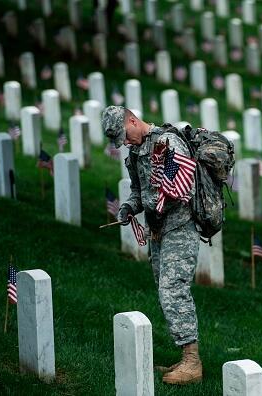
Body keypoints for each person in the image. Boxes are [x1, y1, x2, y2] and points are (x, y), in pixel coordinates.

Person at [102, 106, 202, 385]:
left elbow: (182, 189)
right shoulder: (136, 152)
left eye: (124, 135)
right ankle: (185, 356)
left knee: (173, 289)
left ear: (132, 120)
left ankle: (193, 363)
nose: (124, 142)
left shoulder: (167, 144)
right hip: (158, 229)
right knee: (163, 288)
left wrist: (149, 205)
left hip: (180, 227)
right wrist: (128, 207)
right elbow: (139, 190)